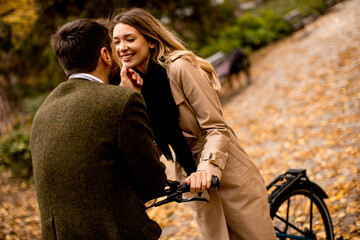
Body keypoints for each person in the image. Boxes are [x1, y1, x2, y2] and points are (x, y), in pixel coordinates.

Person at [111, 8, 277, 240]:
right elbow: (153, 144)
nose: (122, 47)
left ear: (150, 41)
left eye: (130, 39)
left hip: (223, 168)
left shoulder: (180, 67)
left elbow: (217, 128)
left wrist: (207, 168)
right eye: (116, 41)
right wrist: (130, 97)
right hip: (191, 178)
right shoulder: (133, 83)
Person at [30, 18, 167, 240]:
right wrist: (125, 97)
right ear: (105, 55)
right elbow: (154, 183)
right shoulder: (120, 103)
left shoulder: (44, 112)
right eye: (114, 49)